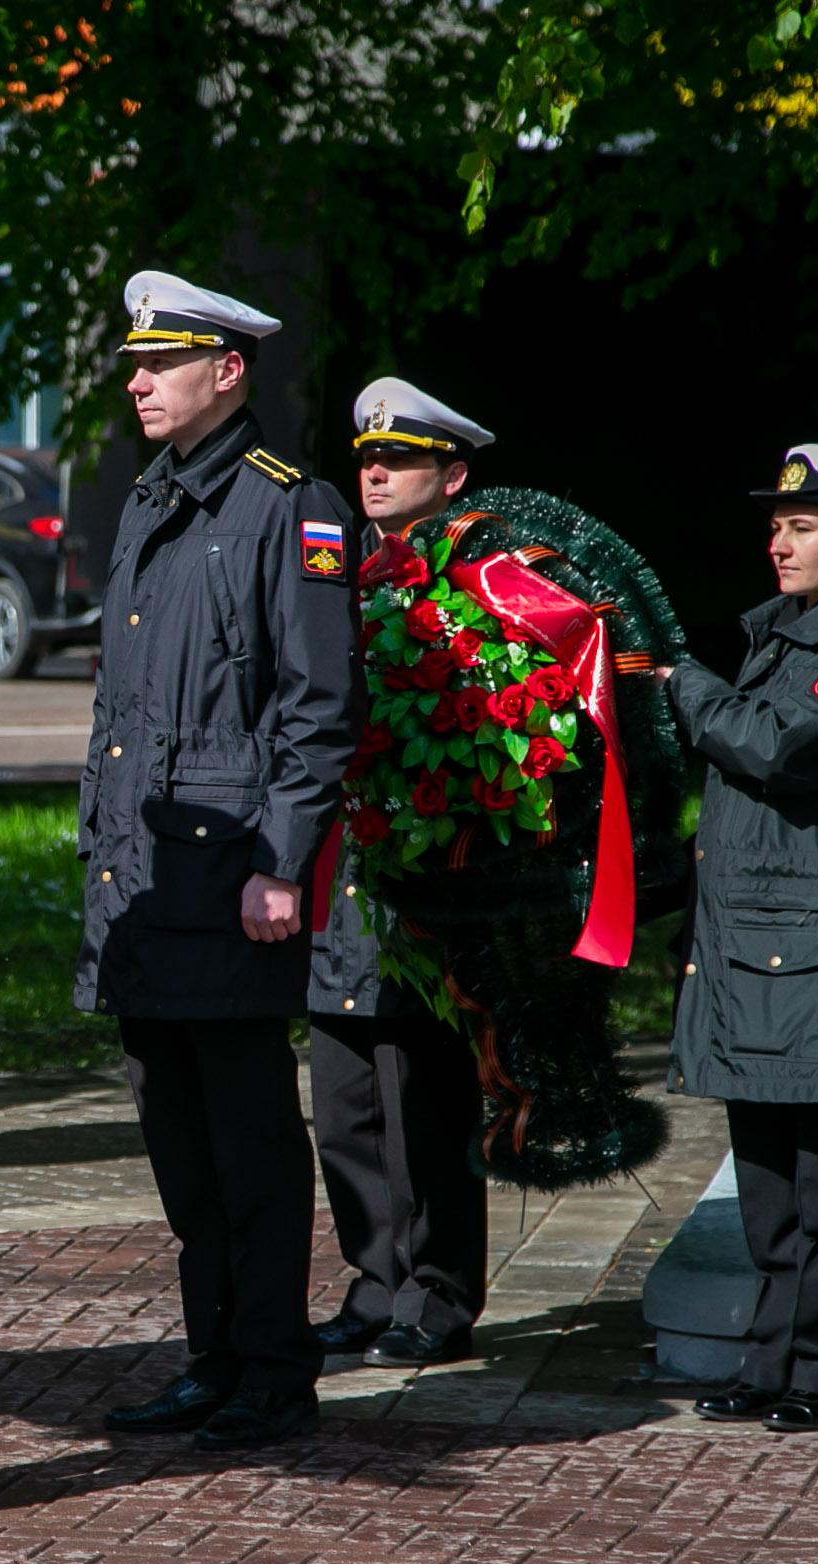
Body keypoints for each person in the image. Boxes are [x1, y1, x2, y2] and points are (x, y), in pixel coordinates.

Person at [72, 273, 359, 1453]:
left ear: (227, 371)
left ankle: (272, 1369)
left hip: (233, 870)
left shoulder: (292, 506)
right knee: (179, 1143)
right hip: (145, 877)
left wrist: (281, 860)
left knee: (246, 1139)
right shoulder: (150, 497)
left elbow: (318, 703)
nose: (136, 380)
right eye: (134, 362)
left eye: (161, 361)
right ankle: (212, 1356)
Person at [664, 444, 818, 1434]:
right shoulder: (782, 635)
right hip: (755, 935)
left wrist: (682, 682)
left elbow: (773, 744)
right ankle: (771, 1357)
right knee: (766, 1175)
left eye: (802, 525)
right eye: (773, 524)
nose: (779, 539)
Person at [305, 377, 493, 1368]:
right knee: (343, 1104)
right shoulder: (344, 573)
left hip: (429, 878)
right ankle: (376, 1281)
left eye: (399, 459)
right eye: (367, 458)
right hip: (338, 875)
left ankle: (439, 1290)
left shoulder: (486, 582)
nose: (373, 472)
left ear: (449, 473)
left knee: (425, 1098)